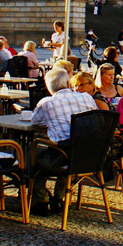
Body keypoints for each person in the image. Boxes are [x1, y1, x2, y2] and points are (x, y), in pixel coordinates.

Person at [30, 68, 98, 216]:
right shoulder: (86, 98)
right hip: (89, 156)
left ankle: (41, 201)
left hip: (63, 157)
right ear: (68, 83)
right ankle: (59, 199)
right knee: (67, 147)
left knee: (31, 157)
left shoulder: (46, 103)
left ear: (48, 87)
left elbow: (35, 122)